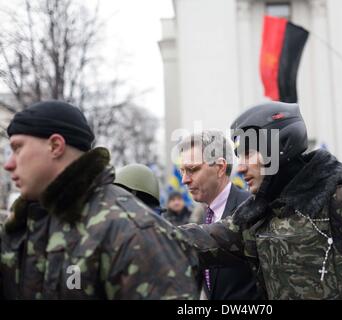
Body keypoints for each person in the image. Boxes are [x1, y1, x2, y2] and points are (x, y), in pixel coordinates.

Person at [180, 102, 342, 299]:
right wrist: (147, 230)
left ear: (278, 148)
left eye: (249, 153)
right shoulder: (257, 214)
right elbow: (205, 241)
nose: (240, 168)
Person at [1, 100, 199, 299]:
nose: (8, 164)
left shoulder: (131, 230)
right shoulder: (23, 226)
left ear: (55, 146)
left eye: (17, 148)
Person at [178, 130, 261, 300]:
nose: (184, 179)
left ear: (220, 168)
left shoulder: (252, 211)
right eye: (182, 171)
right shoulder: (202, 218)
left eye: (192, 169)